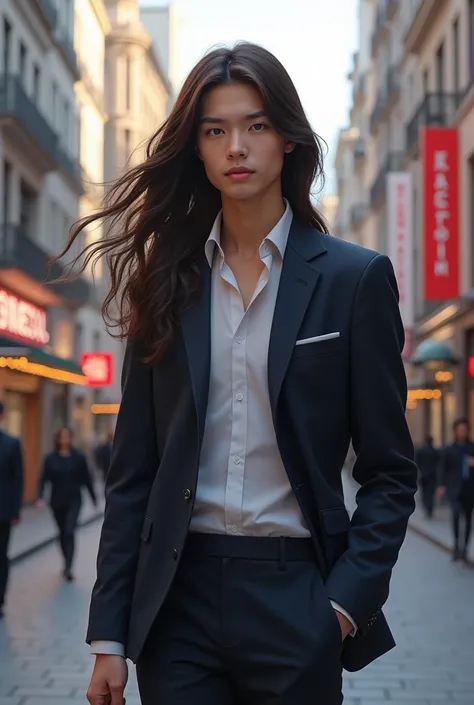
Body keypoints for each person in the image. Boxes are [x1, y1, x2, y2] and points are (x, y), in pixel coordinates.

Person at [59, 42, 417, 705]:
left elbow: (391, 470)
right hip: (179, 600)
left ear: (286, 137)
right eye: (215, 130)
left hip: (297, 596)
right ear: (197, 148)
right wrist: (109, 635)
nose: (237, 147)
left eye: (255, 125)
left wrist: (341, 605)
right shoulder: (165, 280)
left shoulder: (353, 279)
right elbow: (135, 472)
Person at [37, 427, 97, 581]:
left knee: (69, 531)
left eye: (67, 436)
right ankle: (65, 560)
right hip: (57, 501)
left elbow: (87, 478)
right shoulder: (51, 458)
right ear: (57, 439)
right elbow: (43, 479)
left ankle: (69, 567)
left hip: (74, 500)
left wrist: (94, 498)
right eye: (62, 437)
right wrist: (40, 497)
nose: (64, 439)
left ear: (71, 438)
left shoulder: (78, 457)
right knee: (62, 533)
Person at [439, 418, 474, 562]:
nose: (462, 432)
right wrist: (441, 486)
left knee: (467, 519)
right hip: (454, 489)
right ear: (455, 431)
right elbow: (443, 468)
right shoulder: (450, 449)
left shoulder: (472, 448)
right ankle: (456, 546)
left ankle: (464, 548)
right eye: (460, 430)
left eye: (464, 430)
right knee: (455, 517)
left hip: (469, 489)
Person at [0, 401, 23, 619]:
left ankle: (0, 597)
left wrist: (16, 511)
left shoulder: (12, 444)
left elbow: (18, 479)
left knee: (1, 555)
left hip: (3, 512)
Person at [415, 434, 440, 519]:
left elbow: (417, 462)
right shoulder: (434, 451)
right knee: (431, 493)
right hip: (433, 475)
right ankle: (430, 508)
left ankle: (426, 507)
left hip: (423, 475)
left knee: (424, 493)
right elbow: (438, 463)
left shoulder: (421, 451)